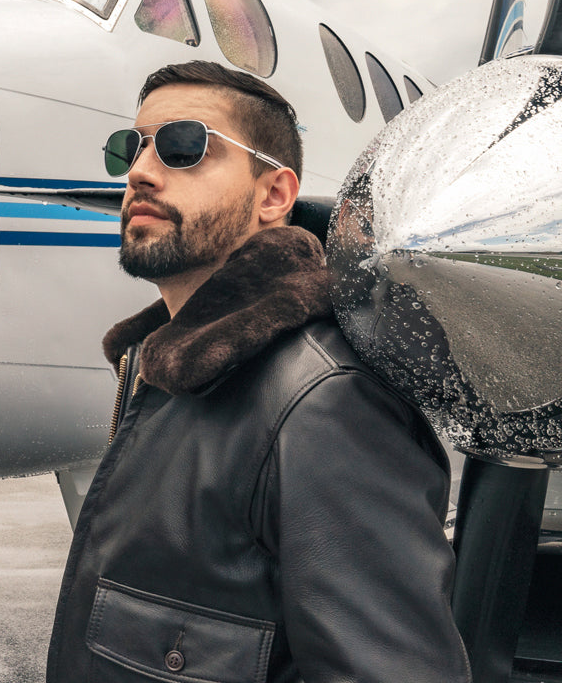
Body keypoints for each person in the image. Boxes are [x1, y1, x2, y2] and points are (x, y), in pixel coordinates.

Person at [45, 61, 469, 682]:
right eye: (130, 147)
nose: (139, 172)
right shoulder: (166, 370)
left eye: (184, 147)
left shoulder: (324, 404)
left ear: (273, 196)